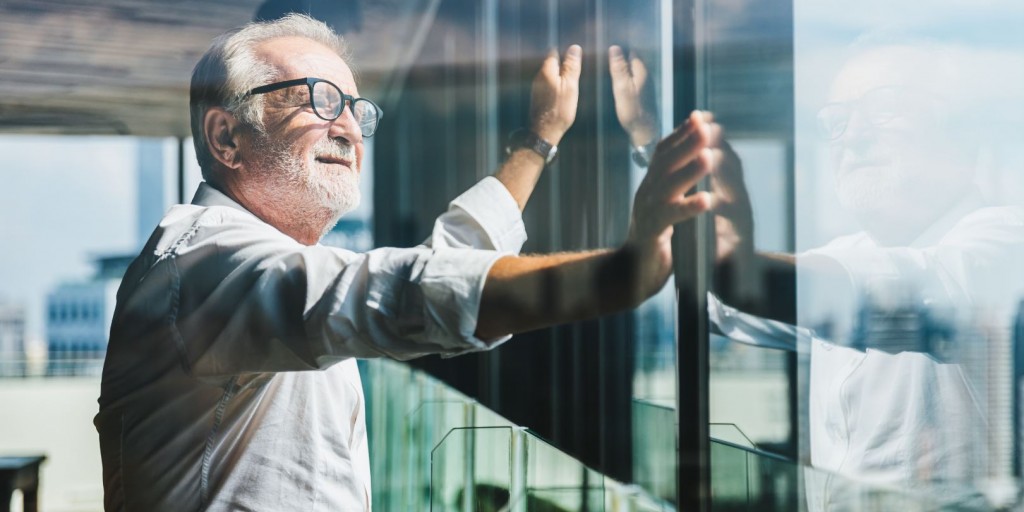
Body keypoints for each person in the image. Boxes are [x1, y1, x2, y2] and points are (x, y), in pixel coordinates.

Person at [94, 14, 718, 511]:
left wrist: (537, 142)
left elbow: (440, 265)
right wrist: (623, 269)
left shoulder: (270, 265)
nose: (349, 127)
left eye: (356, 109)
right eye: (317, 99)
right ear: (226, 136)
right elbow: (407, 293)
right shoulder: (202, 264)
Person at [610, 36, 1024, 509]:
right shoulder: (850, 253)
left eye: (884, 107)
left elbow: (877, 293)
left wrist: (737, 261)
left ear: (959, 130)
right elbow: (711, 304)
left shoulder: (1006, 240)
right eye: (837, 122)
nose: (853, 135)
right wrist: (649, 142)